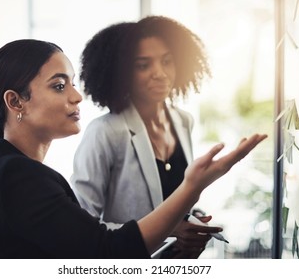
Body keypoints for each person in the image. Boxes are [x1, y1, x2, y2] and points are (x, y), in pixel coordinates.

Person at [0, 38, 267, 259]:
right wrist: (193, 186)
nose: (77, 96)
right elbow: (105, 252)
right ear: (15, 102)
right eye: (59, 86)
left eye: (72, 83)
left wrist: (175, 228)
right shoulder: (17, 174)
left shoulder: (12, 168)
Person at [71, 16, 213, 258]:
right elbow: (82, 229)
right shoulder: (105, 132)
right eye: (143, 65)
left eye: (167, 61)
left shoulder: (183, 121)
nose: (159, 73)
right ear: (122, 73)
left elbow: (170, 201)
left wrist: (194, 220)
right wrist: (169, 231)